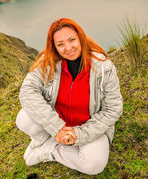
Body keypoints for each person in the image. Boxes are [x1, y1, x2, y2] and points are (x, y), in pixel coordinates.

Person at [16, 18, 123, 175]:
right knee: (23, 119)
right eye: (60, 44)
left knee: (94, 164)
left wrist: (79, 134)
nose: (68, 48)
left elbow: (113, 109)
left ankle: (50, 149)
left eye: (72, 40)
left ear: (80, 38)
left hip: (89, 126)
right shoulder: (47, 63)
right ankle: (44, 140)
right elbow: (27, 91)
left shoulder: (103, 67)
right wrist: (57, 127)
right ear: (55, 47)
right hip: (58, 122)